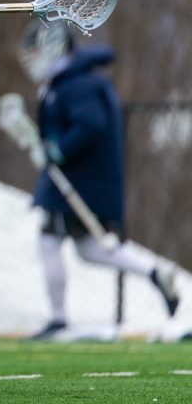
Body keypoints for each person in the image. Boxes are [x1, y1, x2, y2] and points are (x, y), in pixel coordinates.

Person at [17, 22, 180, 340]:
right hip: (84, 182)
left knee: (50, 241)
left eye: (36, 51)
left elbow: (89, 125)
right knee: (91, 249)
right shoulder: (68, 82)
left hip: (79, 183)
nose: (32, 59)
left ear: (54, 49)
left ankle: (58, 319)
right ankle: (155, 273)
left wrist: (57, 150)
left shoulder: (77, 85)